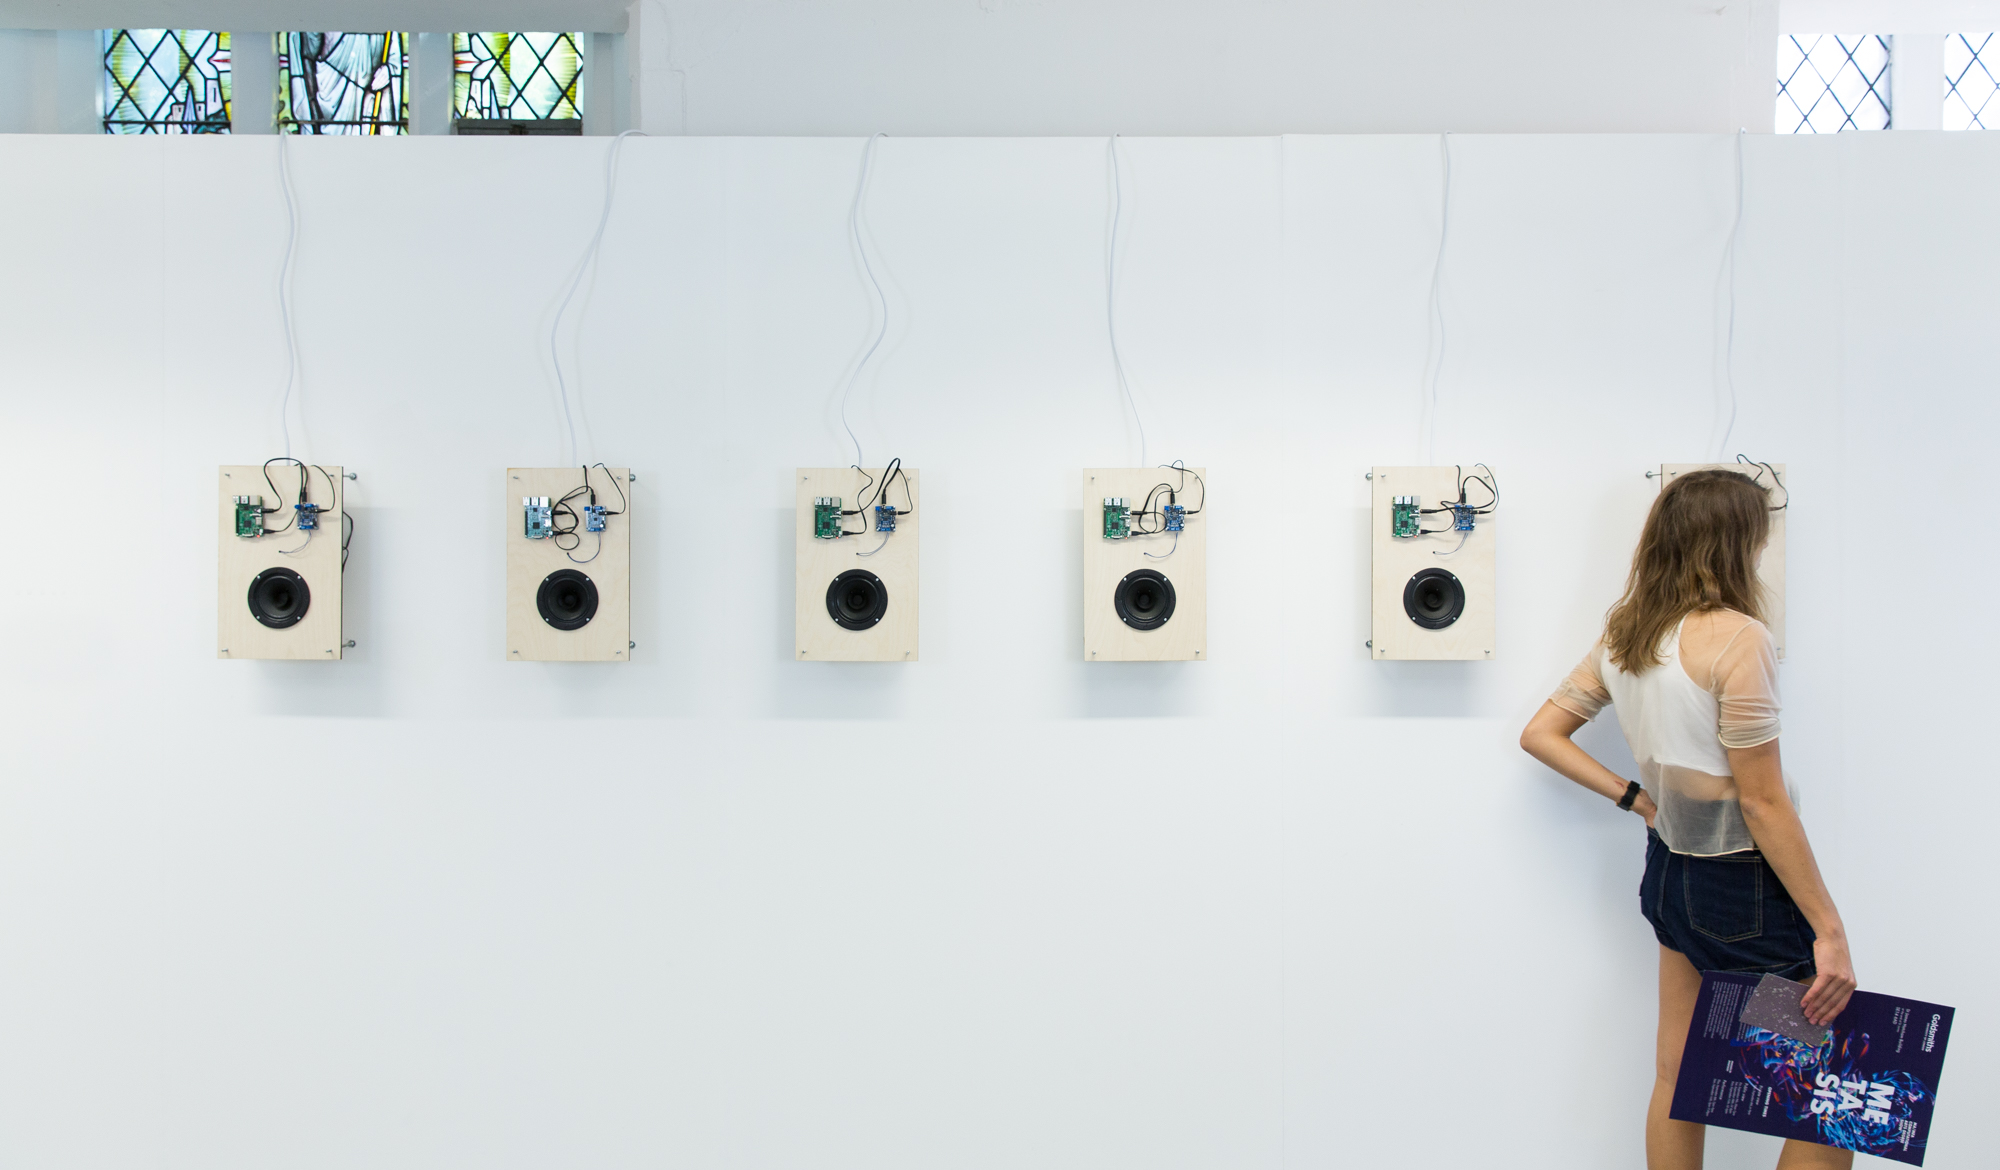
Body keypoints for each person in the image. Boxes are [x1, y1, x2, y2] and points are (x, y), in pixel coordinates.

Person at [1519, 469, 1856, 1170]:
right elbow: (1763, 802)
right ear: (1740, 543)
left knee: (1677, 1074)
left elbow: (1541, 733)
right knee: (1833, 1095)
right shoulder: (1739, 639)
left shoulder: (1628, 631)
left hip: (1672, 875)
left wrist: (1637, 800)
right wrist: (1829, 929)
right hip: (1744, 888)